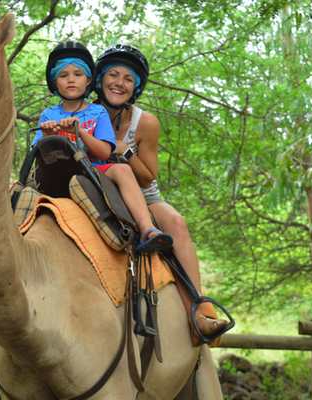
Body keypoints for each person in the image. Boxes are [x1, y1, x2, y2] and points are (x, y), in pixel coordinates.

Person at [94, 44, 228, 337]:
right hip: (98, 190)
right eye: (113, 75)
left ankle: (199, 309)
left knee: (176, 222)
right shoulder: (85, 113)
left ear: (136, 86)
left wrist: (122, 151)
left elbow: (147, 176)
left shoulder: (146, 123)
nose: (119, 82)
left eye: (128, 78)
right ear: (100, 79)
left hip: (143, 197)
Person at [32, 41, 170, 250]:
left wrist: (81, 133)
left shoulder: (97, 113)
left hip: (94, 169)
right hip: (58, 174)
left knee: (122, 169)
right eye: (63, 75)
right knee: (11, 188)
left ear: (88, 81)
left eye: (77, 75)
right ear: (55, 83)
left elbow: (105, 151)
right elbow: (36, 155)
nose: (71, 80)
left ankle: (147, 229)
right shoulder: (48, 114)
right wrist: (48, 136)